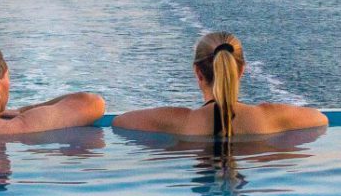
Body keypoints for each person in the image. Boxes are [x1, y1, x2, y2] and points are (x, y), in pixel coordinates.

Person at [111, 31, 326, 142]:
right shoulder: (269, 117)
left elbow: (120, 122)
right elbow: (320, 118)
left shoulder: (179, 121)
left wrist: (170, 118)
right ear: (241, 71)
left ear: (198, 72)